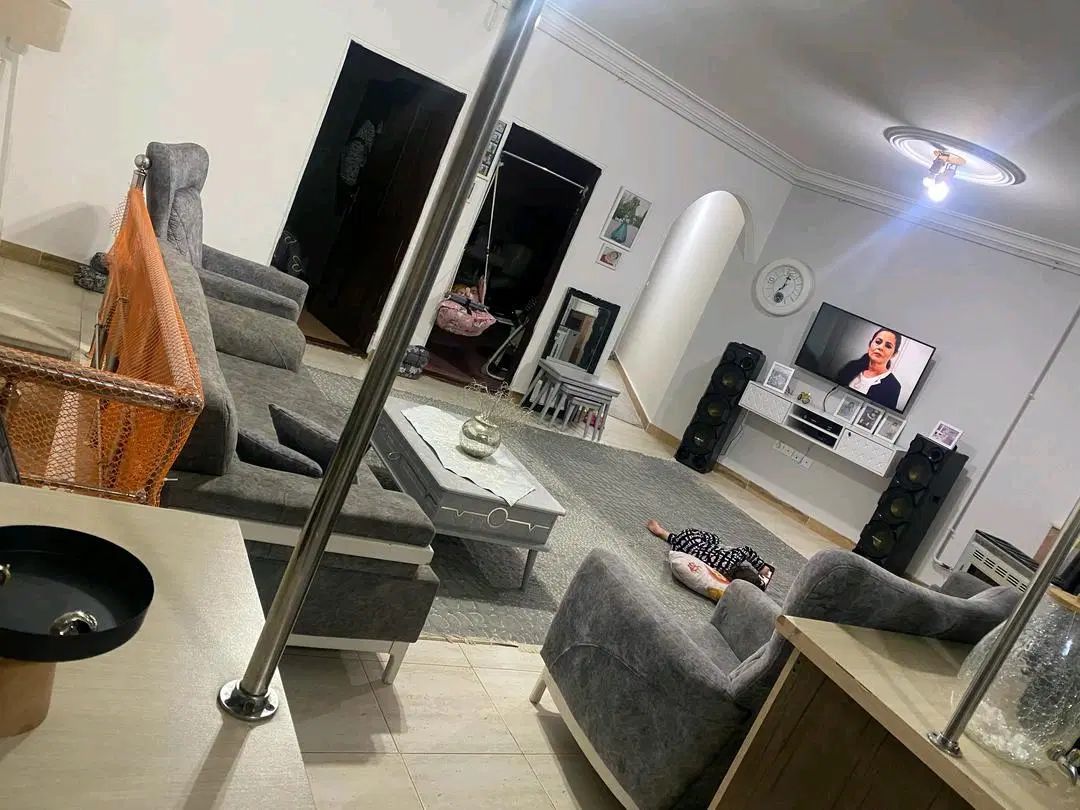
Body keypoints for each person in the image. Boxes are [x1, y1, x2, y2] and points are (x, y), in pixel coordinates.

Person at [647, 520, 773, 589]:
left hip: (691, 538)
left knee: (716, 540)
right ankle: (665, 534)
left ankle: (665, 533)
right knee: (691, 546)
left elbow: (746, 550)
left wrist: (761, 567)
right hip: (682, 550)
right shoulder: (721, 580)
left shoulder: (733, 559)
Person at [836, 328, 903, 410]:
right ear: (870, 344)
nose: (880, 347)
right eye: (878, 342)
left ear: (894, 354)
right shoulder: (851, 366)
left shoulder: (893, 386)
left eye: (888, 346)